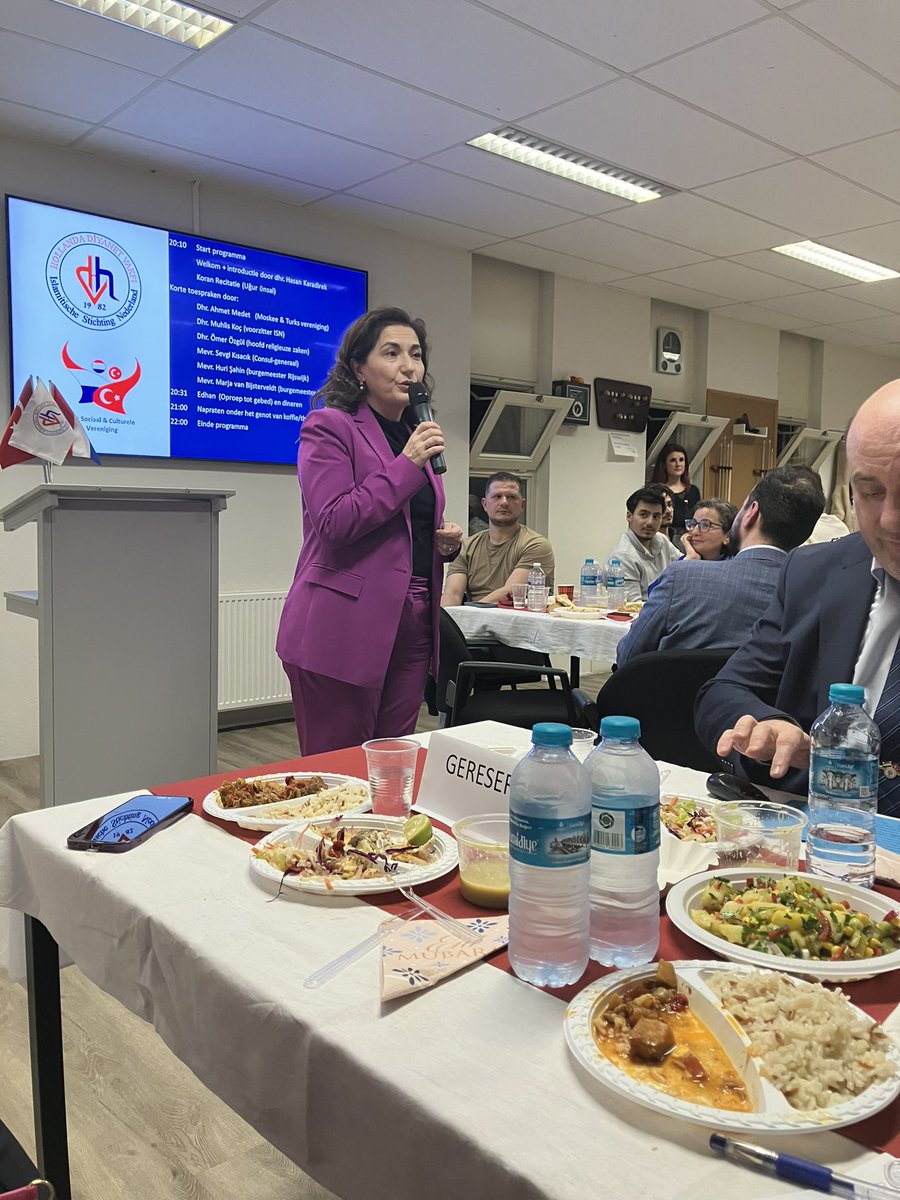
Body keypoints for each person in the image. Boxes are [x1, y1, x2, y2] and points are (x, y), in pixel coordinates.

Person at [695, 380, 900, 815]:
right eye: (871, 492)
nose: (889, 520)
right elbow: (725, 691)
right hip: (822, 845)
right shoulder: (814, 572)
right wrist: (772, 726)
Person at [276, 306, 463, 755]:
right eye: (392, 353)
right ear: (359, 367)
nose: (408, 366)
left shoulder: (416, 434)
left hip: (414, 621)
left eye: (415, 355)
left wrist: (442, 543)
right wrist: (407, 465)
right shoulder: (329, 428)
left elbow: (401, 527)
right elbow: (335, 521)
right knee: (338, 768)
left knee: (390, 764)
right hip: (343, 624)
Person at [616, 467, 824, 667]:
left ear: (751, 513)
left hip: (675, 701)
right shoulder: (816, 595)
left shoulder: (682, 577)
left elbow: (629, 656)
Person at [441, 472, 554, 605]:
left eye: (511, 497)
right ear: (484, 504)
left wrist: (467, 615)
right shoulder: (466, 547)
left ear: (522, 505)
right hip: (471, 621)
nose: (504, 502)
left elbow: (509, 592)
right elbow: (452, 594)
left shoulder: (535, 545)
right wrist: (446, 623)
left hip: (518, 621)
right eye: (497, 496)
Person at [607, 487, 680, 603]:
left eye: (656, 516)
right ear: (629, 516)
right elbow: (634, 609)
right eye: (644, 515)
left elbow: (684, 569)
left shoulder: (662, 540)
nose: (650, 522)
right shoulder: (623, 556)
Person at [652, 442, 700, 539]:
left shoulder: (693, 491)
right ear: (664, 464)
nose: (678, 464)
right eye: (673, 460)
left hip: (687, 539)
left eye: (681, 460)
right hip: (661, 537)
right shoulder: (655, 491)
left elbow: (696, 520)